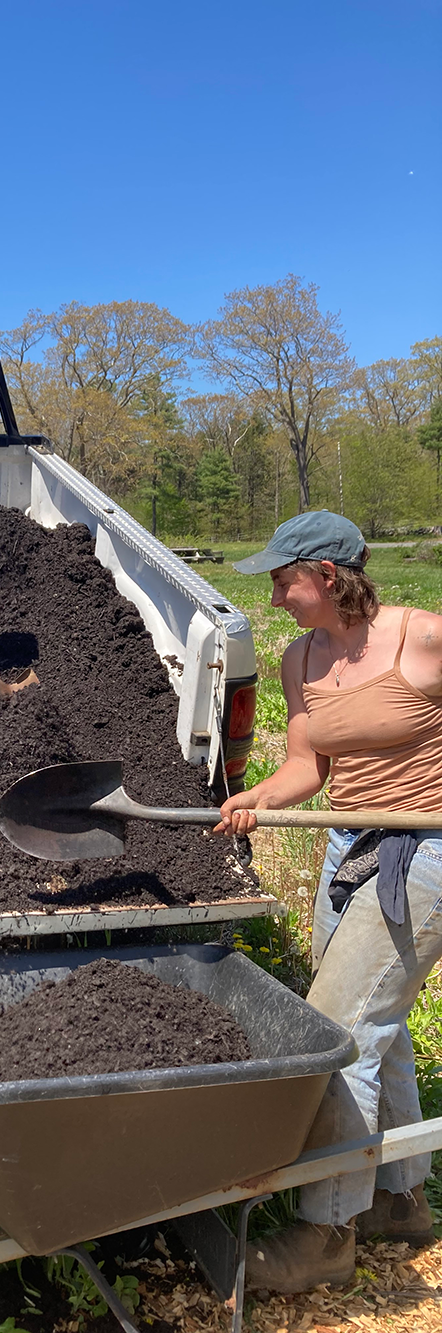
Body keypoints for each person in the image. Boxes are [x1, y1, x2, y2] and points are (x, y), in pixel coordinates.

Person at [215, 510, 442, 1292]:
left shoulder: (424, 639)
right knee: (377, 1015)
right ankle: (400, 1195)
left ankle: (326, 1229)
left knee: (343, 1026)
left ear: (328, 575)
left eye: (284, 580)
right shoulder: (300, 659)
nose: (276, 596)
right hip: (351, 847)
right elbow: (306, 767)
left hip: (427, 846)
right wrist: (257, 799)